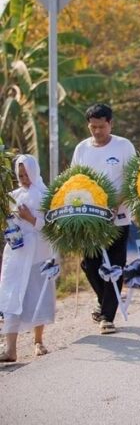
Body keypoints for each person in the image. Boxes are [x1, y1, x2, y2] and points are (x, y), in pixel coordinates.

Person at [71, 104, 136, 335]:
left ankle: (107, 317)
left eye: (101, 126)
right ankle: (104, 300)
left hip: (118, 217)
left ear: (110, 124)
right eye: (93, 127)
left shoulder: (123, 146)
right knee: (91, 265)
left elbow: (133, 180)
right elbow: (74, 181)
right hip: (90, 219)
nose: (97, 131)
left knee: (115, 266)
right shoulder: (82, 149)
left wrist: (116, 203)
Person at [0, 155, 54, 362]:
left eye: (26, 174)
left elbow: (50, 226)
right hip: (16, 254)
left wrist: (29, 218)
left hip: (38, 253)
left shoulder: (45, 195)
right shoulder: (12, 196)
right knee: (12, 295)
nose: (23, 179)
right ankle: (10, 349)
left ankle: (38, 341)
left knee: (36, 294)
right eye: (20, 175)